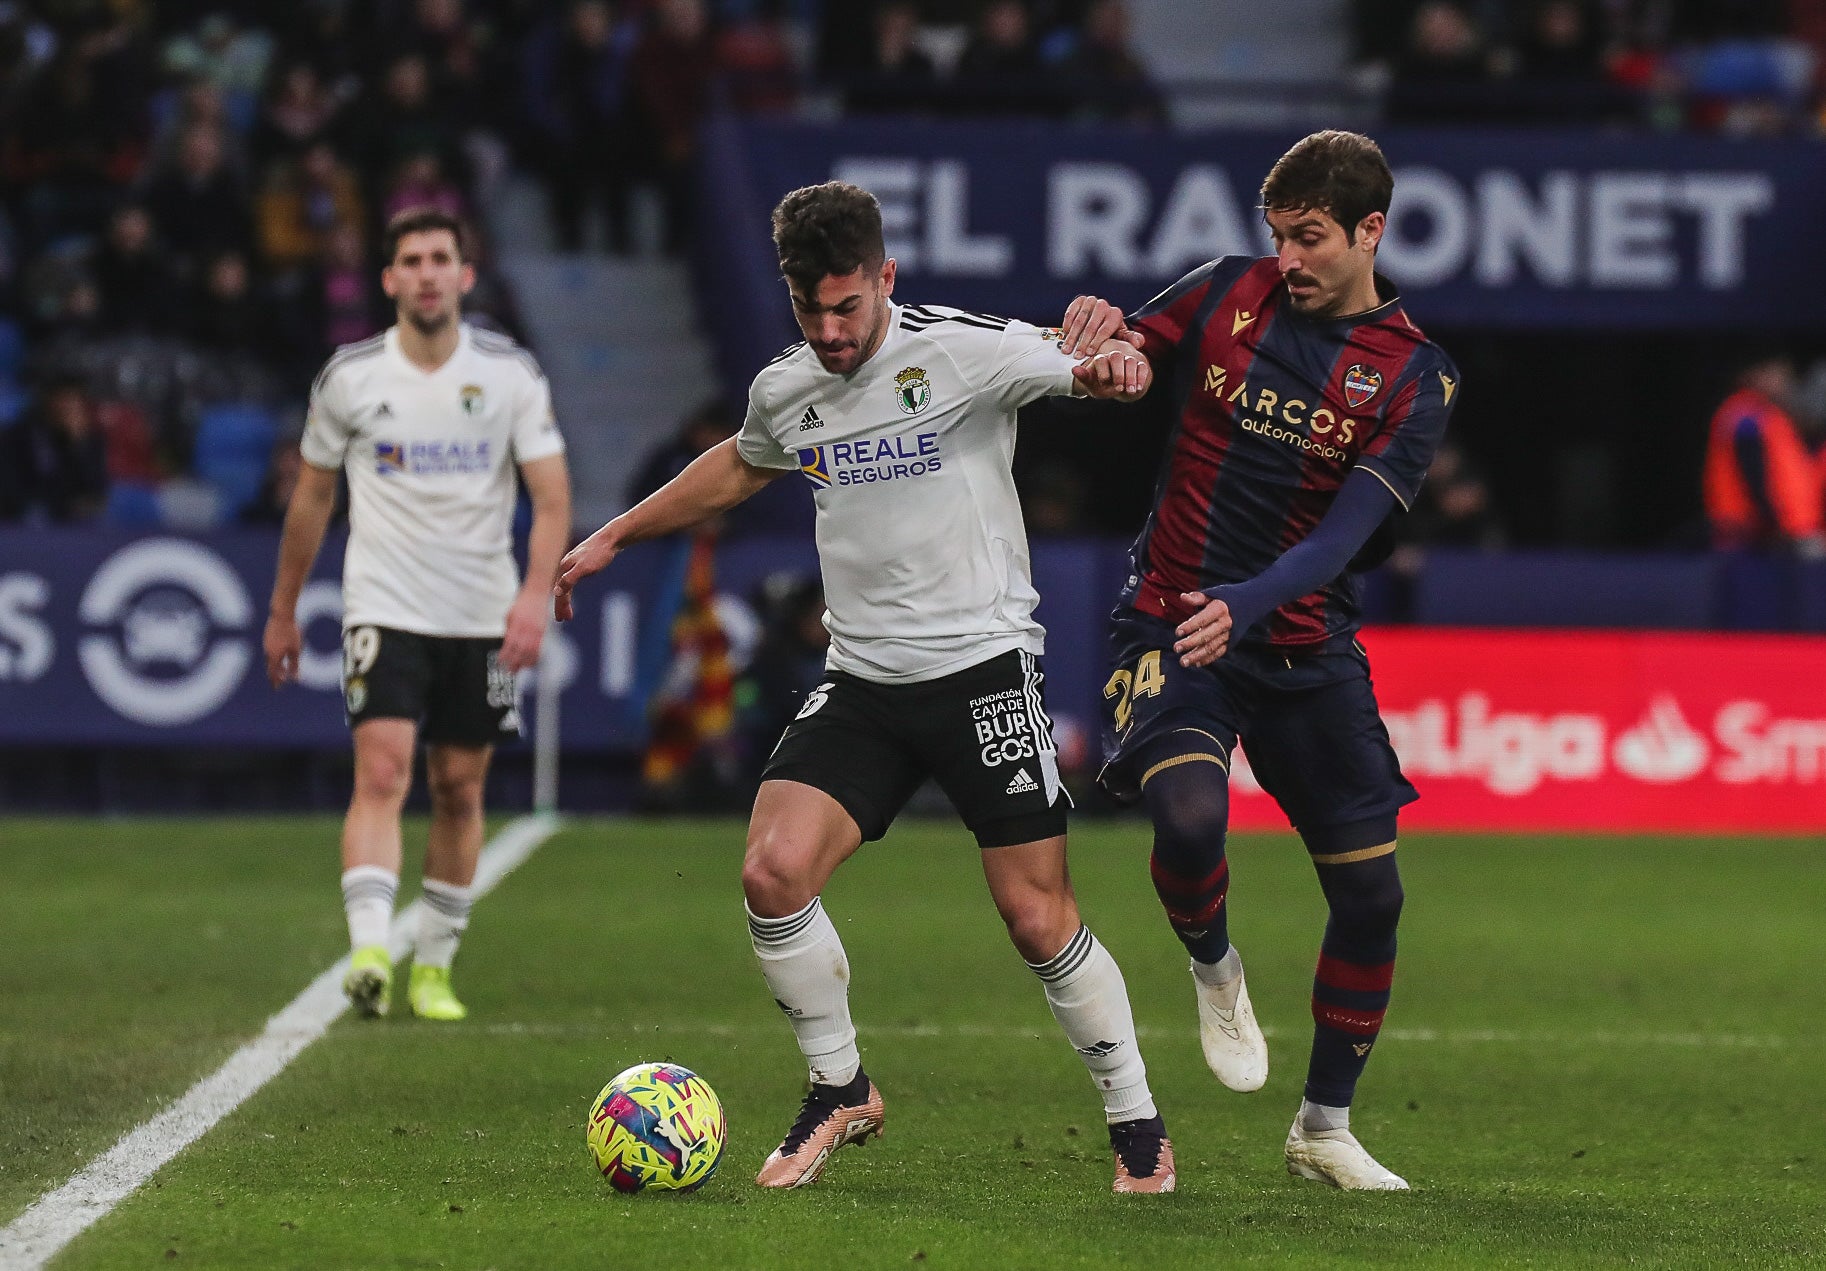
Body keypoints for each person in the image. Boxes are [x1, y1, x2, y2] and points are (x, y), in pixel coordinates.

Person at [553, 181, 1175, 1194]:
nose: (835, 332)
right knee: (771, 870)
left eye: (850, 306)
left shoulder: (961, 348)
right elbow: (741, 464)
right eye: (814, 311)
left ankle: (1132, 1114)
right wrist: (614, 533)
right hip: (863, 680)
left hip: (980, 668)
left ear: (885, 277)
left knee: (1034, 915)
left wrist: (1114, 364)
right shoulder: (786, 388)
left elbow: (1110, 368)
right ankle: (839, 1086)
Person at [1058, 129, 1459, 1190]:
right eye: (1277, 235)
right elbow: (1129, 350)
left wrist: (1248, 599)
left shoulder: (1412, 375)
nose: (1287, 257)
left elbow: (1341, 539)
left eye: (1311, 237)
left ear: (1370, 230)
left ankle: (1321, 1127)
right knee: (1188, 819)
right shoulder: (1225, 292)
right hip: (1169, 621)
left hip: (1297, 640)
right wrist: (1106, 346)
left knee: (1371, 898)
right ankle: (1213, 963)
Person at [263, 206, 572, 1023]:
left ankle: (433, 965)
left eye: (442, 257)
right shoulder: (351, 378)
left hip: (479, 610)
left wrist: (533, 595)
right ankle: (370, 951)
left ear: (465, 276)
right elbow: (312, 499)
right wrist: (283, 609)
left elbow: (550, 498)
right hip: (384, 602)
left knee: (460, 786)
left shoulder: (509, 374)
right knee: (384, 771)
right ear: (390, 278)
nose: (428, 272)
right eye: (413, 259)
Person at [1702, 353, 1824, 556]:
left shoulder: (1770, 415)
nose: (1785, 382)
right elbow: (1755, 477)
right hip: (1751, 538)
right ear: (1755, 375)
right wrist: (1778, 528)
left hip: (1774, 534)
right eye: (1778, 374)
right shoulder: (1745, 417)